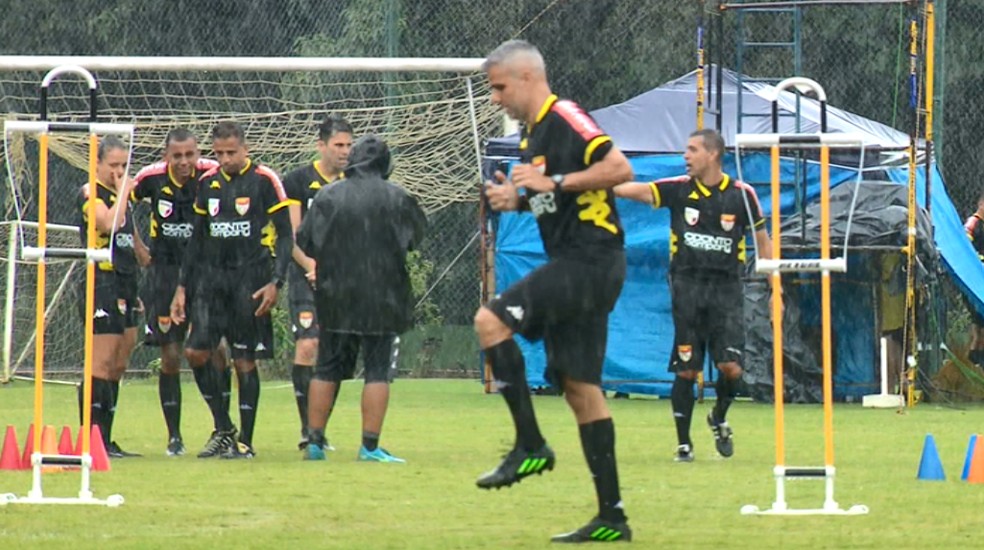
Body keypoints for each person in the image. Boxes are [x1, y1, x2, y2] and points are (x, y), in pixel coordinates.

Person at [475, 40, 634, 543]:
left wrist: (553, 180)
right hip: (583, 264)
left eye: (499, 87)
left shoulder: (564, 115)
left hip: (589, 262)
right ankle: (613, 518)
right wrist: (516, 199)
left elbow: (618, 169)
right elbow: (552, 201)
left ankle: (530, 445)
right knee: (580, 389)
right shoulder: (533, 136)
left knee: (489, 320)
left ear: (526, 78)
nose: (495, 98)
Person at [615, 128, 775, 463]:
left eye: (692, 149)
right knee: (687, 369)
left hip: (727, 291)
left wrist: (777, 288)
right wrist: (599, 183)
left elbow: (763, 241)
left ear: (713, 154)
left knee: (731, 368)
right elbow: (640, 192)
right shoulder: (678, 190)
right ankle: (684, 444)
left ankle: (718, 416)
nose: (686, 155)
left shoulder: (742, 194)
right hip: (687, 288)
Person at [296, 134, 426, 464]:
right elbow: (415, 240)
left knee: (326, 368)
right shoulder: (398, 197)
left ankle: (314, 443)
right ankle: (369, 446)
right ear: (385, 164)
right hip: (383, 296)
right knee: (378, 370)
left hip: (336, 294)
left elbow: (307, 242)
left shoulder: (327, 195)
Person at [170, 121, 294, 459]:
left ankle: (246, 442)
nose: (224, 159)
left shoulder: (265, 180)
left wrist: (276, 281)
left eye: (231, 152)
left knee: (243, 360)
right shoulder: (207, 184)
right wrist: (182, 287)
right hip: (211, 283)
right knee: (196, 352)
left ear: (245, 149)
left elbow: (286, 234)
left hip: (250, 281)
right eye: (219, 153)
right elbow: (196, 240)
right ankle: (224, 428)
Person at [131, 128, 231, 456]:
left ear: (198, 153)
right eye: (178, 156)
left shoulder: (212, 175)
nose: (185, 161)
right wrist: (138, 247)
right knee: (170, 355)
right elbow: (118, 205)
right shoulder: (150, 178)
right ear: (166, 157)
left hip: (204, 273)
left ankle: (223, 426)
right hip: (164, 271)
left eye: (190, 154)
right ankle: (174, 437)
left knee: (212, 347)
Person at [282, 115, 353, 451]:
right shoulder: (297, 181)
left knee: (333, 353)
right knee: (308, 346)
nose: (344, 151)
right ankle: (306, 430)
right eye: (338, 145)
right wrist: (312, 266)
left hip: (341, 278)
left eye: (348, 145)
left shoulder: (353, 181)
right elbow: (291, 236)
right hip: (304, 275)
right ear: (321, 145)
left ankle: (320, 429)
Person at [76, 136, 146, 458]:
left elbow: (128, 232)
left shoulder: (121, 198)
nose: (119, 171)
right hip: (101, 282)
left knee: (119, 363)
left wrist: (144, 255)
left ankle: (108, 438)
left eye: (123, 165)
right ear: (98, 164)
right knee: (101, 363)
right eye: (113, 165)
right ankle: (92, 440)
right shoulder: (93, 193)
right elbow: (109, 222)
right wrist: (124, 191)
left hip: (126, 282)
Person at [964, 196, 984, 367]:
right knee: (979, 324)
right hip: (976, 279)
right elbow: (966, 246)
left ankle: (976, 358)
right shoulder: (973, 222)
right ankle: (974, 359)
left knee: (979, 326)